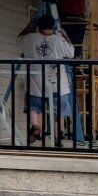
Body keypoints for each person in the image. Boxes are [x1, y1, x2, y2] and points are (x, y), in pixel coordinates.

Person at [18, 14, 77, 143]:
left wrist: (29, 27)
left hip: (35, 79)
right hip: (56, 81)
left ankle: (35, 125)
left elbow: (19, 40)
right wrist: (65, 35)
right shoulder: (58, 40)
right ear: (53, 26)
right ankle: (57, 134)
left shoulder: (30, 38)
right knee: (58, 110)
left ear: (38, 26)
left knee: (33, 106)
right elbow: (71, 53)